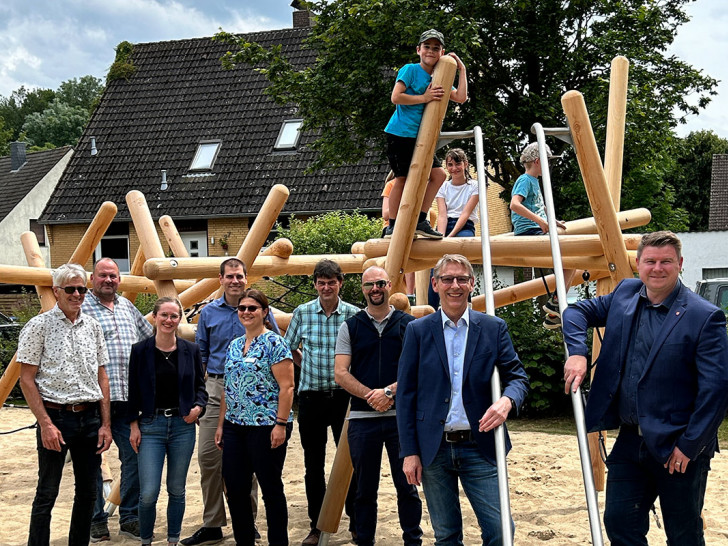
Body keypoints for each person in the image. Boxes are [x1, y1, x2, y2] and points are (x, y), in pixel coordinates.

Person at [562, 231, 728, 545]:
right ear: (638, 264)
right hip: (630, 440)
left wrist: (689, 446)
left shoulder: (705, 317)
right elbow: (576, 312)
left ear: (680, 264)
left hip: (677, 444)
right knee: (619, 524)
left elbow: (716, 390)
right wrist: (577, 352)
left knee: (683, 534)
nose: (657, 268)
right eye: (650, 261)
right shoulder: (625, 292)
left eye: (666, 261)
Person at [397, 254, 529, 545]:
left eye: (461, 279)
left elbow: (518, 378)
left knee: (500, 531)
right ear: (435, 284)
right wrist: (409, 452)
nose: (454, 285)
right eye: (447, 279)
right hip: (433, 448)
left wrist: (507, 401)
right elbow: (405, 396)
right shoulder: (417, 331)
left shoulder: (493, 328)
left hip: (480, 445)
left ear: (472, 284)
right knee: (446, 536)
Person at [183, 258, 279, 546]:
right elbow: (200, 355)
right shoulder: (209, 313)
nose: (235, 280)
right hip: (215, 387)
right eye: (230, 276)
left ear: (246, 278)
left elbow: (274, 345)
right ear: (221, 279)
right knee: (209, 459)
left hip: (253, 392)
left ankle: (247, 522)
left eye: (239, 276)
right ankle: (213, 523)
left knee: (247, 460)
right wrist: (200, 397)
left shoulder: (261, 311)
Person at [17, 263, 112, 546]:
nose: (76, 294)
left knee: (87, 493)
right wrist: (45, 423)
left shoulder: (93, 327)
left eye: (81, 289)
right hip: (55, 417)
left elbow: (102, 377)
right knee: (47, 491)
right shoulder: (38, 326)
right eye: (70, 289)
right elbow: (26, 379)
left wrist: (105, 424)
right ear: (56, 291)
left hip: (89, 417)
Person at [334, 266, 423, 546]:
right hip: (362, 418)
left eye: (381, 283)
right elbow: (340, 373)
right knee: (364, 490)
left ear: (390, 285)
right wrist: (372, 395)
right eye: (369, 284)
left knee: (408, 485)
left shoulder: (410, 324)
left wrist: (389, 392)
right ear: (362, 289)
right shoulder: (350, 326)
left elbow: (420, 369)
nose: (375, 289)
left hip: (402, 419)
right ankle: (365, 541)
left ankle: (413, 540)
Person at [284, 259, 359, 545]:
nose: (326, 287)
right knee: (312, 464)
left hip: (344, 399)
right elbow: (289, 348)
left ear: (341, 282)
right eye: (321, 282)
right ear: (315, 284)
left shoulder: (353, 314)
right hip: (311, 397)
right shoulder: (302, 313)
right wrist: (308, 365)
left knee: (350, 462)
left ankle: (354, 521)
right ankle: (316, 526)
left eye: (332, 282)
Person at [215, 289, 295, 546]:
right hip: (235, 426)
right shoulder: (235, 345)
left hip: (266, 425)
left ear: (264, 311)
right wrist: (221, 425)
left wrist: (280, 425)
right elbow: (229, 386)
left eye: (252, 308)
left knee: (270, 489)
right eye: (242, 308)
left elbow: (287, 387)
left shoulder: (275, 343)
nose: (246, 312)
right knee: (235, 489)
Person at [128, 297, 208, 546]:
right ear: (154, 317)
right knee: (149, 492)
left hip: (182, 426)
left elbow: (200, 388)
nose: (169, 320)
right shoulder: (140, 350)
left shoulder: (190, 349)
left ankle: (173, 539)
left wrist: (198, 407)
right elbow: (132, 391)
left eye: (174, 316)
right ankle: (146, 540)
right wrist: (133, 426)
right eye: (164, 315)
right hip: (150, 425)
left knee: (177, 489)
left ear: (179, 319)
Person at [84, 258, 153, 542]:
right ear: (92, 278)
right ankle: (96, 518)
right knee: (90, 461)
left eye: (113, 275)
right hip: (92, 397)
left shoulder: (127, 306)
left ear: (120, 280)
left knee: (134, 458)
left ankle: (130, 517)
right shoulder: (80, 307)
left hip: (127, 399)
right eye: (103, 275)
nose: (108, 280)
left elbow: (150, 338)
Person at [383, 28, 468, 240]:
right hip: (400, 134)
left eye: (436, 48)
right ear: (418, 49)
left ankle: (420, 220)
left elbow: (461, 97)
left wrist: (462, 71)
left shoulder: (439, 76)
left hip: (422, 137)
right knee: (402, 179)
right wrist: (425, 97)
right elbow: (396, 97)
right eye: (427, 47)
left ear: (442, 52)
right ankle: (391, 226)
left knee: (438, 175)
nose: (431, 51)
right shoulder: (410, 70)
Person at [509, 141, 576, 329]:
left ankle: (555, 307)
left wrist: (552, 220)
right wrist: (541, 222)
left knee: (573, 261)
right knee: (573, 256)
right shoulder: (524, 180)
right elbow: (514, 204)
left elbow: (539, 206)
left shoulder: (534, 182)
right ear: (538, 161)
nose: (549, 166)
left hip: (536, 228)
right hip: (529, 231)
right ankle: (556, 301)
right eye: (548, 162)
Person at [428, 148, 480, 309]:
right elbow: (442, 215)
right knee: (435, 264)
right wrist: (442, 238)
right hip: (445, 225)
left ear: (465, 164)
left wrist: (451, 237)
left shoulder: (474, 186)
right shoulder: (443, 187)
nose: (454, 168)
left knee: (460, 258)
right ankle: (433, 306)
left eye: (458, 163)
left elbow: (465, 214)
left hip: (464, 226)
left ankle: (467, 302)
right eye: (450, 164)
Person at [382, 172, 416, 296]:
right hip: (391, 227)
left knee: (409, 253)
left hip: (407, 228)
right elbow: (385, 214)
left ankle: (410, 294)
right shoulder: (391, 185)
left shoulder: (414, 185)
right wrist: (403, 206)